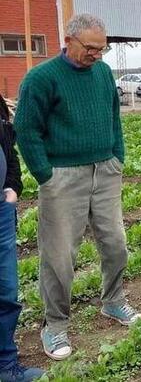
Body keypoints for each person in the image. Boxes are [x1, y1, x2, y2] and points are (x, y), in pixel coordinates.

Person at [14, 14, 141, 362]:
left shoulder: (102, 73)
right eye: (90, 48)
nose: (96, 55)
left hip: (105, 171)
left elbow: (114, 114)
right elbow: (25, 129)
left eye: (102, 49)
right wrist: (45, 175)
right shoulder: (42, 79)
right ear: (68, 40)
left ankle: (113, 302)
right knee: (59, 257)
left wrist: (117, 156)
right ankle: (54, 324)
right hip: (63, 176)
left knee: (116, 244)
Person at [0, 94, 43, 382]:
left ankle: (6, 364)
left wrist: (13, 186)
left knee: (6, 290)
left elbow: (9, 145)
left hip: (1, 210)